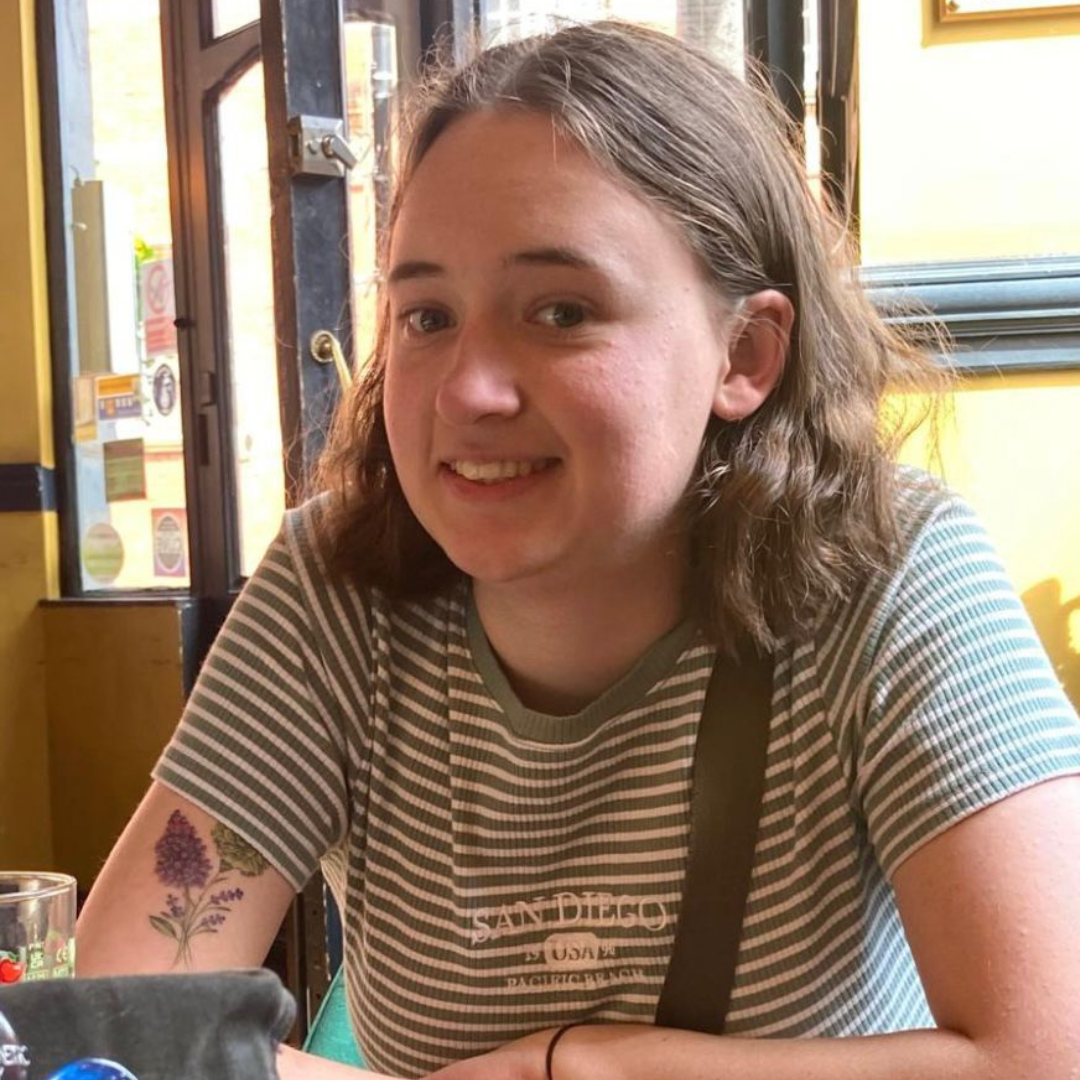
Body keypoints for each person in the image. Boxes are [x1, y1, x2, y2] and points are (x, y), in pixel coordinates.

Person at [76, 19, 1080, 1080]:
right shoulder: (336, 592)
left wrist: (571, 1065)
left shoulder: (892, 570)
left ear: (745, 353)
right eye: (426, 317)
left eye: (561, 311)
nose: (469, 390)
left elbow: (1047, 1051)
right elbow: (125, 1026)